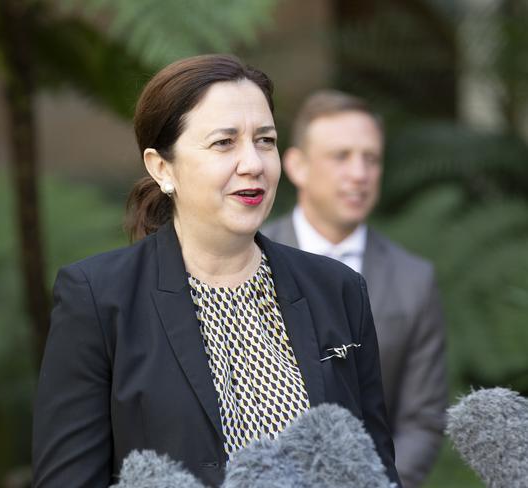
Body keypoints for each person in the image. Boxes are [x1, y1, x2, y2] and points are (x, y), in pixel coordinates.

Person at [32, 56, 400, 488]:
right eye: (225, 143)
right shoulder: (98, 299)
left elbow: (376, 470)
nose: (254, 163)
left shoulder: (337, 289)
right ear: (161, 167)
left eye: (265, 140)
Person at [262, 90, 447, 488]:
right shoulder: (246, 257)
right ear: (296, 166)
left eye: (371, 158)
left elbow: (423, 419)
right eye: (341, 156)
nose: (360, 174)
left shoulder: (414, 280)